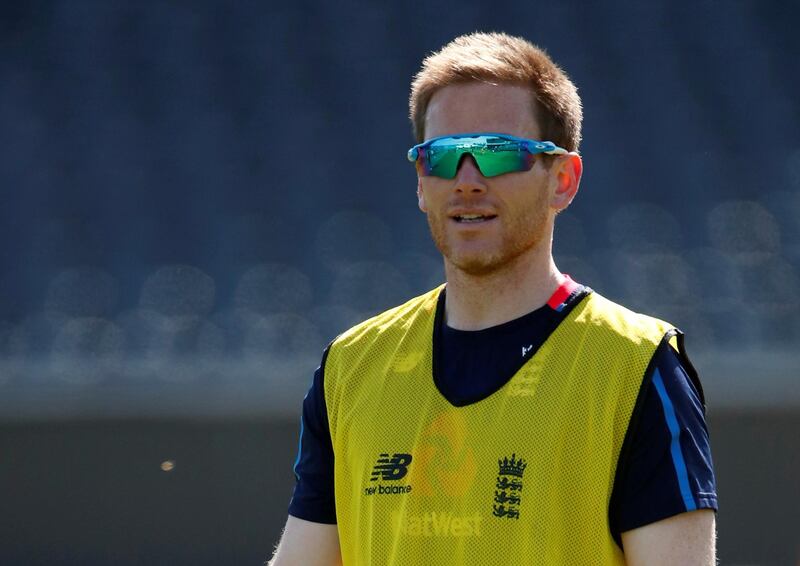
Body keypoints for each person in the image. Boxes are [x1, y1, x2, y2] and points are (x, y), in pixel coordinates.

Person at [269, 32, 717, 565]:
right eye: (442, 156)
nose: (467, 180)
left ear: (564, 180)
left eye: (498, 155)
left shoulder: (636, 367)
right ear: (419, 180)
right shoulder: (352, 367)